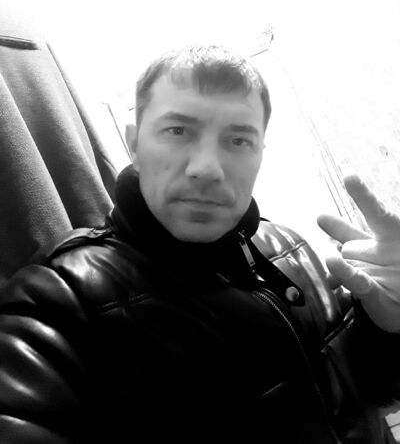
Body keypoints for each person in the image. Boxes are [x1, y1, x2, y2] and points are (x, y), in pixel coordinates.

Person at [0, 44, 399, 444]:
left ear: (261, 153)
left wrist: (389, 328)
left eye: (238, 140)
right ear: (134, 144)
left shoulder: (290, 247)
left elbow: (372, 396)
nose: (207, 169)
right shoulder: (54, 303)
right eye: (177, 131)